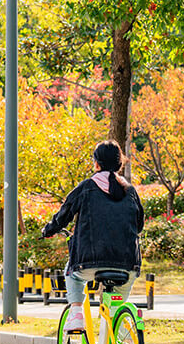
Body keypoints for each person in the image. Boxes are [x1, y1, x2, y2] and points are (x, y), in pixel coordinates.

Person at [41, 141, 144, 333]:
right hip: (128, 265)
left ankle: (76, 314)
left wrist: (48, 230)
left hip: (89, 263)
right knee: (117, 307)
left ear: (96, 164)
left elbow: (63, 216)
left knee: (72, 275)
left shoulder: (87, 187)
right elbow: (139, 225)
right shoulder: (130, 191)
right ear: (120, 164)